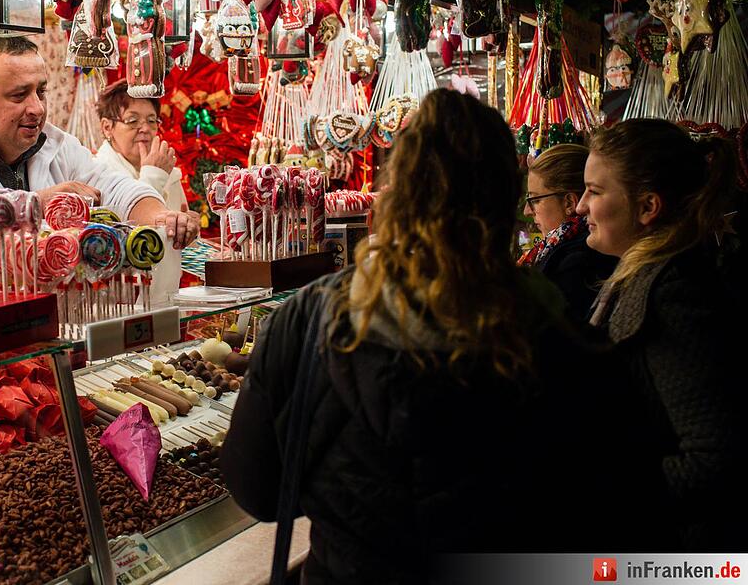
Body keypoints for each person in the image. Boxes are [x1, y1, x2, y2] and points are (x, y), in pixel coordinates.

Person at [221, 90, 656, 584]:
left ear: (397, 196)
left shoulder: (308, 318)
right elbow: (620, 509)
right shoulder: (563, 335)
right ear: (505, 203)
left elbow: (257, 488)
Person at [578, 119, 747, 549]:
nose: (579, 207)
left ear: (647, 207)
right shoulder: (649, 274)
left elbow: (714, 457)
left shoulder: (675, 294)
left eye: (595, 192)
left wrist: (605, 497)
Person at [0, 35, 199, 249]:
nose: (37, 108)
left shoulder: (59, 146)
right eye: (19, 95)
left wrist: (162, 218)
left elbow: (115, 189)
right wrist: (35, 204)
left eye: (41, 92)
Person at [94, 79, 187, 307]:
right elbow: (127, 240)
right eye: (132, 120)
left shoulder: (169, 173)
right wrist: (153, 176)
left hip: (168, 298)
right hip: (120, 306)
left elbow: (181, 243)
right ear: (107, 128)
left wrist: (190, 227)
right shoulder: (98, 175)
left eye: (152, 121)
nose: (144, 128)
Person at [520, 144, 617, 323]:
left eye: (535, 199)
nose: (527, 211)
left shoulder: (576, 263)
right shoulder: (560, 249)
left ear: (569, 203)